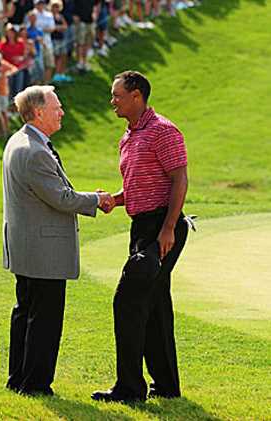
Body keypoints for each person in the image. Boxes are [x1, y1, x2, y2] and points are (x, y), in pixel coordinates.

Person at [3, 85, 108, 396]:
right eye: (56, 107)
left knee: (26, 313)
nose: (62, 112)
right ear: (38, 112)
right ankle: (34, 384)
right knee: (44, 321)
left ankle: (19, 378)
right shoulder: (33, 151)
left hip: (27, 247)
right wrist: (98, 200)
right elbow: (60, 198)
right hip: (42, 251)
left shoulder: (20, 141)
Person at [92, 71, 189, 403]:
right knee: (156, 303)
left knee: (128, 301)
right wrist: (115, 200)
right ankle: (166, 386)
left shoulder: (163, 130)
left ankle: (129, 388)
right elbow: (138, 185)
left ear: (136, 96)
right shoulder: (128, 136)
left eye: (117, 95)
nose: (112, 101)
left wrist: (167, 228)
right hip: (142, 228)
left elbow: (179, 180)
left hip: (163, 228)